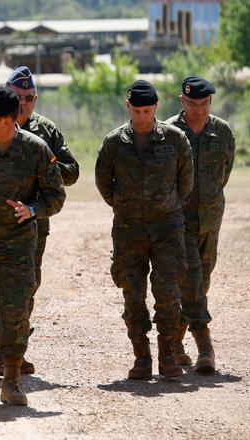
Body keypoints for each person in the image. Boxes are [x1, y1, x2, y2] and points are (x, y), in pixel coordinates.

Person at [0, 66, 79, 376]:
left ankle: (9, 354)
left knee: (22, 288)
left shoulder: (44, 134)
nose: (24, 103)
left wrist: (38, 171)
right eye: (18, 97)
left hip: (29, 226)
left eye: (30, 98)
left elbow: (71, 172)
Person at [95, 80, 194, 380]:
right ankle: (142, 356)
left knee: (167, 293)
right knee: (133, 294)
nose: (141, 116)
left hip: (167, 227)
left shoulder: (175, 139)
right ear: (128, 108)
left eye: (147, 110)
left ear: (156, 107)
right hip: (129, 230)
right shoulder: (114, 143)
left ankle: (167, 355)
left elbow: (185, 182)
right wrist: (126, 207)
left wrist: (167, 206)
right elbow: (104, 181)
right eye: (136, 110)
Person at [165, 76, 235, 373]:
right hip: (180, 221)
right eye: (193, 104)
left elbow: (224, 174)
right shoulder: (168, 132)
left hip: (210, 220)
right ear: (183, 101)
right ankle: (205, 347)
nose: (199, 110)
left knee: (200, 281)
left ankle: (177, 343)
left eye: (204, 104)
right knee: (191, 279)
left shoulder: (222, 132)